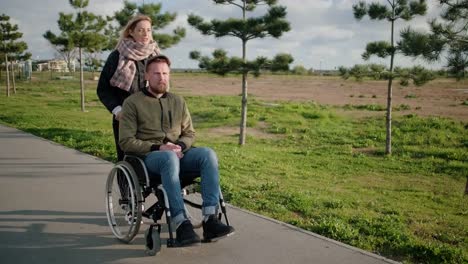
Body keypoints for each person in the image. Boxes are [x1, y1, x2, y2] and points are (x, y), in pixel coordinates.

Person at [118, 55, 235, 247]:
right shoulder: (132, 103)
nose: (161, 77)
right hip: (150, 158)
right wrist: (159, 147)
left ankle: (210, 220)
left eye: (165, 73)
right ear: (147, 75)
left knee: (208, 155)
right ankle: (181, 223)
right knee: (168, 158)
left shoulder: (178, 101)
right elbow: (126, 141)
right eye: (156, 73)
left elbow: (189, 133)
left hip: (178, 154)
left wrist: (180, 146)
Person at [97, 14, 160, 162]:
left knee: (155, 156)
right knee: (128, 159)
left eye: (148, 30)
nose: (146, 34)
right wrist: (117, 110)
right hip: (125, 117)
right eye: (141, 30)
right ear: (131, 32)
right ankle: (125, 185)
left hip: (152, 117)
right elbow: (103, 89)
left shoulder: (155, 56)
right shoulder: (117, 56)